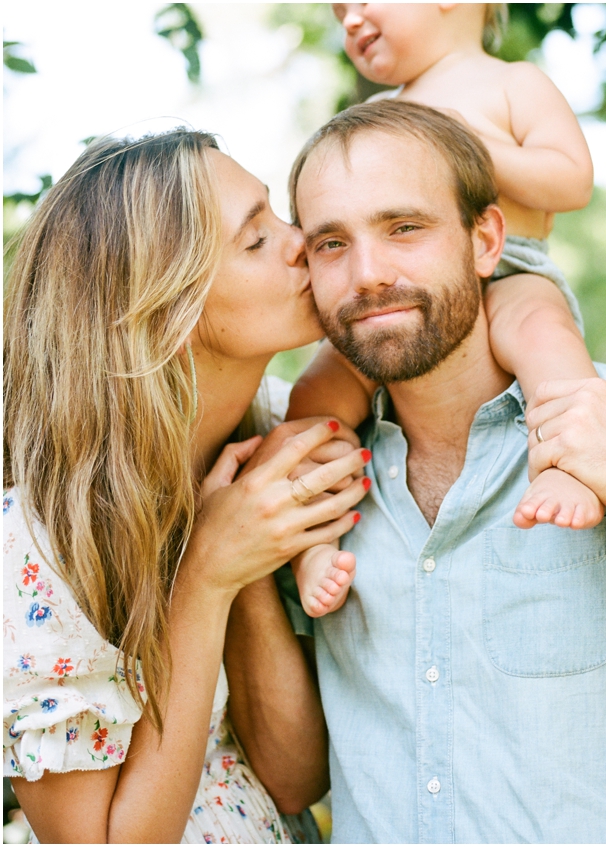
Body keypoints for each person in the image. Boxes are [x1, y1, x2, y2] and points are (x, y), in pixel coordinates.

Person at [280, 98, 606, 842]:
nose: (369, 274)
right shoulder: (302, 482)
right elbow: (290, 770)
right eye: (331, 244)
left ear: (485, 240)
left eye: (404, 227)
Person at [2, 129, 368, 843]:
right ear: (166, 310)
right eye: (257, 239)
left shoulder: (265, 447)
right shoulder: (38, 542)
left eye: (279, 217)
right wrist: (203, 578)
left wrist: (242, 560)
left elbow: (295, 775)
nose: (303, 241)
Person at [285, 2, 605, 618]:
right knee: (316, 394)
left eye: (363, 0)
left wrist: (462, 139)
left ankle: (570, 464)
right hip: (395, 306)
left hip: (515, 270)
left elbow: (571, 181)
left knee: (545, 339)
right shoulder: (372, 118)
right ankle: (312, 541)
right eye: (338, 9)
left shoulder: (513, 84)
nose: (349, 19)